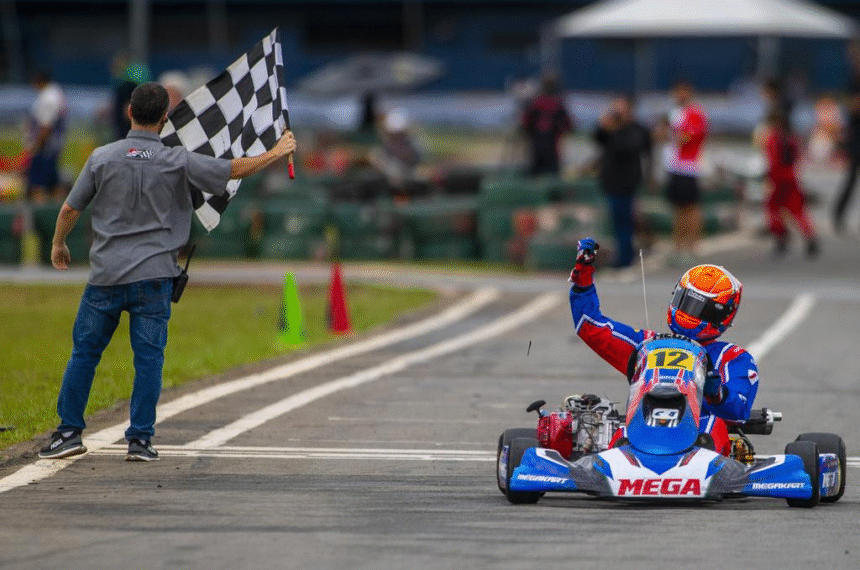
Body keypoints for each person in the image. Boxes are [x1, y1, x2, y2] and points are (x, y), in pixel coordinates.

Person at [39, 82, 296, 461]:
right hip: (155, 276)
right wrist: (277, 151)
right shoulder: (176, 159)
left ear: (129, 112)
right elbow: (233, 169)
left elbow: (69, 209)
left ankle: (68, 433)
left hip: (105, 276)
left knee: (84, 355)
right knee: (148, 361)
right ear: (164, 118)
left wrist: (59, 244)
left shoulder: (101, 157)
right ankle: (139, 440)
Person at [568, 237, 758, 456]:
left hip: (700, 439)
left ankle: (689, 463)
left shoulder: (733, 358)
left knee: (711, 430)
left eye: (703, 310)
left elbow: (739, 412)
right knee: (615, 432)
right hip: (642, 427)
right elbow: (591, 327)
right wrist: (583, 279)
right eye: (687, 303)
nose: (690, 313)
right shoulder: (647, 345)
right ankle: (624, 457)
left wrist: (717, 395)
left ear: (723, 315)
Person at [593, 95, 652, 268]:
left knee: (625, 221)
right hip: (610, 180)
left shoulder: (636, 130)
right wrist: (605, 126)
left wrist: (614, 131)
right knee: (617, 221)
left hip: (627, 181)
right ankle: (622, 254)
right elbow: (598, 139)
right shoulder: (611, 128)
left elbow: (631, 148)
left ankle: (625, 258)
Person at [763, 111, 819, 257]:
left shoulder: (773, 138)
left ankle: (781, 236)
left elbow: (773, 160)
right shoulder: (792, 138)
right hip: (791, 176)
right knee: (797, 209)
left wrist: (769, 179)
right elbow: (798, 157)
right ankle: (809, 236)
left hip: (778, 178)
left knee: (772, 208)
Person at [665, 81, 707, 265]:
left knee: (690, 207)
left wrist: (671, 134)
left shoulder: (695, 113)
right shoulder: (674, 113)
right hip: (674, 166)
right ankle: (678, 245)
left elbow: (686, 137)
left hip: (689, 166)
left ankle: (692, 245)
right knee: (677, 207)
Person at [24, 71, 68, 203]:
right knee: (53, 183)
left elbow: (46, 126)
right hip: (50, 145)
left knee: (39, 185)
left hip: (45, 146)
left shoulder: (49, 97)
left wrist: (36, 144)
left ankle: (41, 216)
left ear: (39, 80)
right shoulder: (54, 93)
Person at [521, 74, 574, 177]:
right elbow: (568, 124)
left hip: (538, 140)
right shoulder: (557, 103)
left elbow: (526, 121)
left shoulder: (537, 102)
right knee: (552, 170)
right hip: (551, 141)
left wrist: (527, 132)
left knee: (536, 169)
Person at [833, 89, 860, 233]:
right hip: (856, 145)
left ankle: (838, 215)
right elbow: (850, 111)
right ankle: (838, 215)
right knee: (850, 182)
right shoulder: (852, 85)